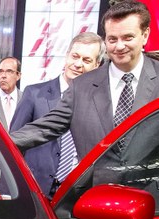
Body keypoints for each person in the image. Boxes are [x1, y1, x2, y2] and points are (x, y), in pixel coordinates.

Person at [11, 1, 159, 168]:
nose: (119, 46)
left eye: (128, 37)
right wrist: (1, 142)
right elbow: (45, 127)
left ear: (145, 35)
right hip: (95, 190)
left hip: (150, 190)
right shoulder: (82, 86)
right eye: (112, 39)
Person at [10, 32, 104, 196]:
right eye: (75, 56)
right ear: (67, 55)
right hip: (36, 189)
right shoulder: (34, 93)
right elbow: (16, 138)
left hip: (78, 192)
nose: (78, 64)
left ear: (97, 65)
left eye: (86, 60)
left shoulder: (100, 101)